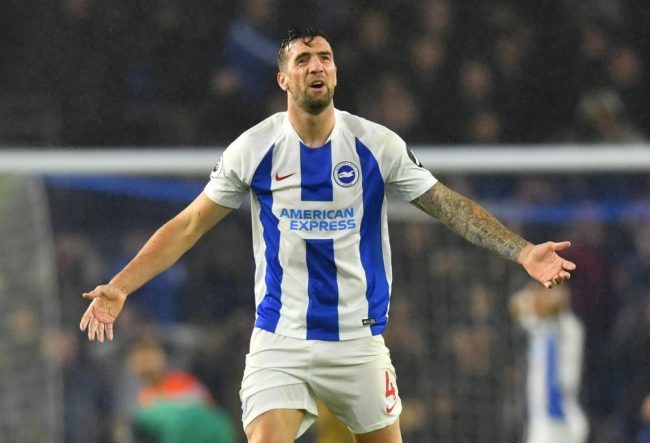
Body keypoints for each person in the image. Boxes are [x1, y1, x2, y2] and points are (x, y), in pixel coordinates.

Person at [80, 27, 576, 443]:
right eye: (303, 59)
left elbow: (448, 205)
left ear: (335, 73)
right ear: (283, 79)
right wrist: (121, 285)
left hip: (357, 341)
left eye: (325, 58)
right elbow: (188, 225)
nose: (316, 66)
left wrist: (523, 251)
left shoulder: (375, 144)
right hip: (281, 338)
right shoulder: (254, 149)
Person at [510, 283, 588, 443]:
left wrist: (546, 301)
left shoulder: (570, 326)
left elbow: (556, 313)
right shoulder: (538, 325)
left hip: (562, 416)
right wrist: (533, 295)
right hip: (541, 418)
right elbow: (515, 305)